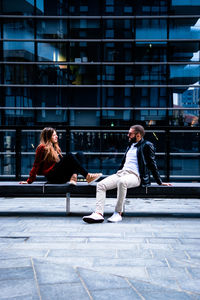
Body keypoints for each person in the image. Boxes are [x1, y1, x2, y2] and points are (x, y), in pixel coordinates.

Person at [83, 125, 171, 224]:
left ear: (138, 135)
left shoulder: (147, 145)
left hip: (135, 176)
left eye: (130, 133)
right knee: (100, 185)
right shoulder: (130, 145)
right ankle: (98, 214)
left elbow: (152, 163)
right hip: (122, 173)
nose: (128, 135)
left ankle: (118, 213)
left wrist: (159, 181)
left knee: (122, 182)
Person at [19, 127, 102, 185]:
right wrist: (29, 181)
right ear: (48, 136)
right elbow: (36, 165)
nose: (57, 136)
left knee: (79, 154)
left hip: (60, 176)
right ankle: (87, 176)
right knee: (69, 155)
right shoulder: (42, 147)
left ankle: (74, 176)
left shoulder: (55, 147)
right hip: (53, 177)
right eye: (54, 135)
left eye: (56, 134)